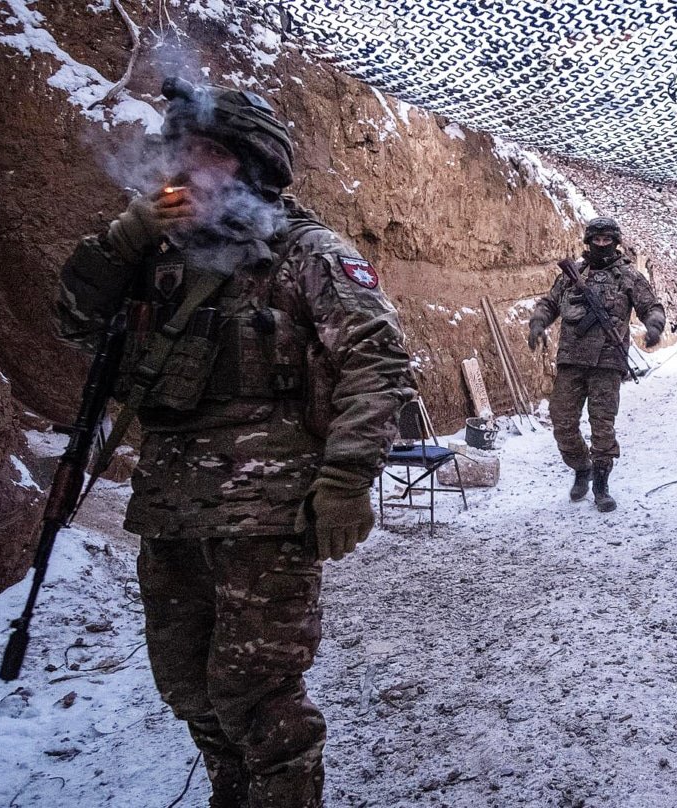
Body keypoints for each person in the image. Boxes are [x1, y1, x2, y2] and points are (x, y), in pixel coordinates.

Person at [56, 78, 414, 807]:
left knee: (256, 695)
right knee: (185, 681)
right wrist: (126, 236)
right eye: (181, 150)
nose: (187, 167)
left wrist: (346, 480)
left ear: (253, 167)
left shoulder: (307, 253)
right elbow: (72, 323)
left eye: (209, 152)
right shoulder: (154, 253)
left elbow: (377, 362)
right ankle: (233, 792)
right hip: (171, 505)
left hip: (268, 511)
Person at [528, 217, 666, 512]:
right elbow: (550, 303)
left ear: (615, 242)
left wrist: (654, 327)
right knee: (562, 422)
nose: (601, 244)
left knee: (602, 427)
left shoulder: (629, 277)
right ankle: (582, 468)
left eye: (607, 239)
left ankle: (601, 484)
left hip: (607, 362)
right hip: (571, 360)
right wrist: (538, 323)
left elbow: (650, 306)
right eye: (597, 239)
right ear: (588, 241)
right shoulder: (572, 274)